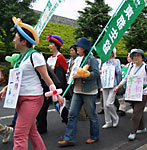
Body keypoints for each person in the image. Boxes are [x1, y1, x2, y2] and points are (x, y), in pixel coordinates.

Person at [0, 16, 62, 150]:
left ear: (23, 41)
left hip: (32, 98)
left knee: (19, 134)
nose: (13, 40)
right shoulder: (20, 59)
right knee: (32, 132)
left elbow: (46, 78)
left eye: (15, 37)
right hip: (19, 98)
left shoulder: (35, 56)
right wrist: (6, 88)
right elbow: (18, 79)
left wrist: (57, 96)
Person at [58, 37, 100, 146]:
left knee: (91, 115)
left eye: (78, 46)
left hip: (89, 92)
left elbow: (96, 73)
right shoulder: (78, 59)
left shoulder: (92, 59)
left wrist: (83, 75)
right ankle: (69, 138)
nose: (76, 48)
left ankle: (94, 136)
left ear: (84, 48)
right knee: (72, 114)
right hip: (77, 90)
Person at [114, 49, 147, 141]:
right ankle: (142, 128)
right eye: (134, 56)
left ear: (142, 57)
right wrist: (118, 86)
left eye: (138, 56)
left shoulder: (146, 68)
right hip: (132, 92)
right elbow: (126, 78)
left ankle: (133, 132)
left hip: (143, 93)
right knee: (138, 111)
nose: (136, 58)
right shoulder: (131, 67)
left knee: (136, 113)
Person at [36, 33, 68, 134]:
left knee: (61, 107)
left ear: (56, 45)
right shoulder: (49, 58)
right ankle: (41, 128)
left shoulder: (61, 57)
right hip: (47, 86)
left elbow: (63, 72)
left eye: (51, 44)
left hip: (57, 87)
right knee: (42, 107)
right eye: (49, 44)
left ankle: (69, 124)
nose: (49, 46)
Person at [101, 48, 121, 129]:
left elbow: (119, 73)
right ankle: (108, 121)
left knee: (109, 103)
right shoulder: (104, 63)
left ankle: (115, 117)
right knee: (105, 105)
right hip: (105, 84)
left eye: (110, 52)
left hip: (113, 85)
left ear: (113, 53)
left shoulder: (116, 61)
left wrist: (119, 85)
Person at [118, 53, 133, 117]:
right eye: (128, 57)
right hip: (127, 86)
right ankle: (122, 110)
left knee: (133, 100)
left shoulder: (137, 66)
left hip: (134, 86)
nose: (128, 58)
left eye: (130, 57)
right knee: (125, 97)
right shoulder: (126, 66)